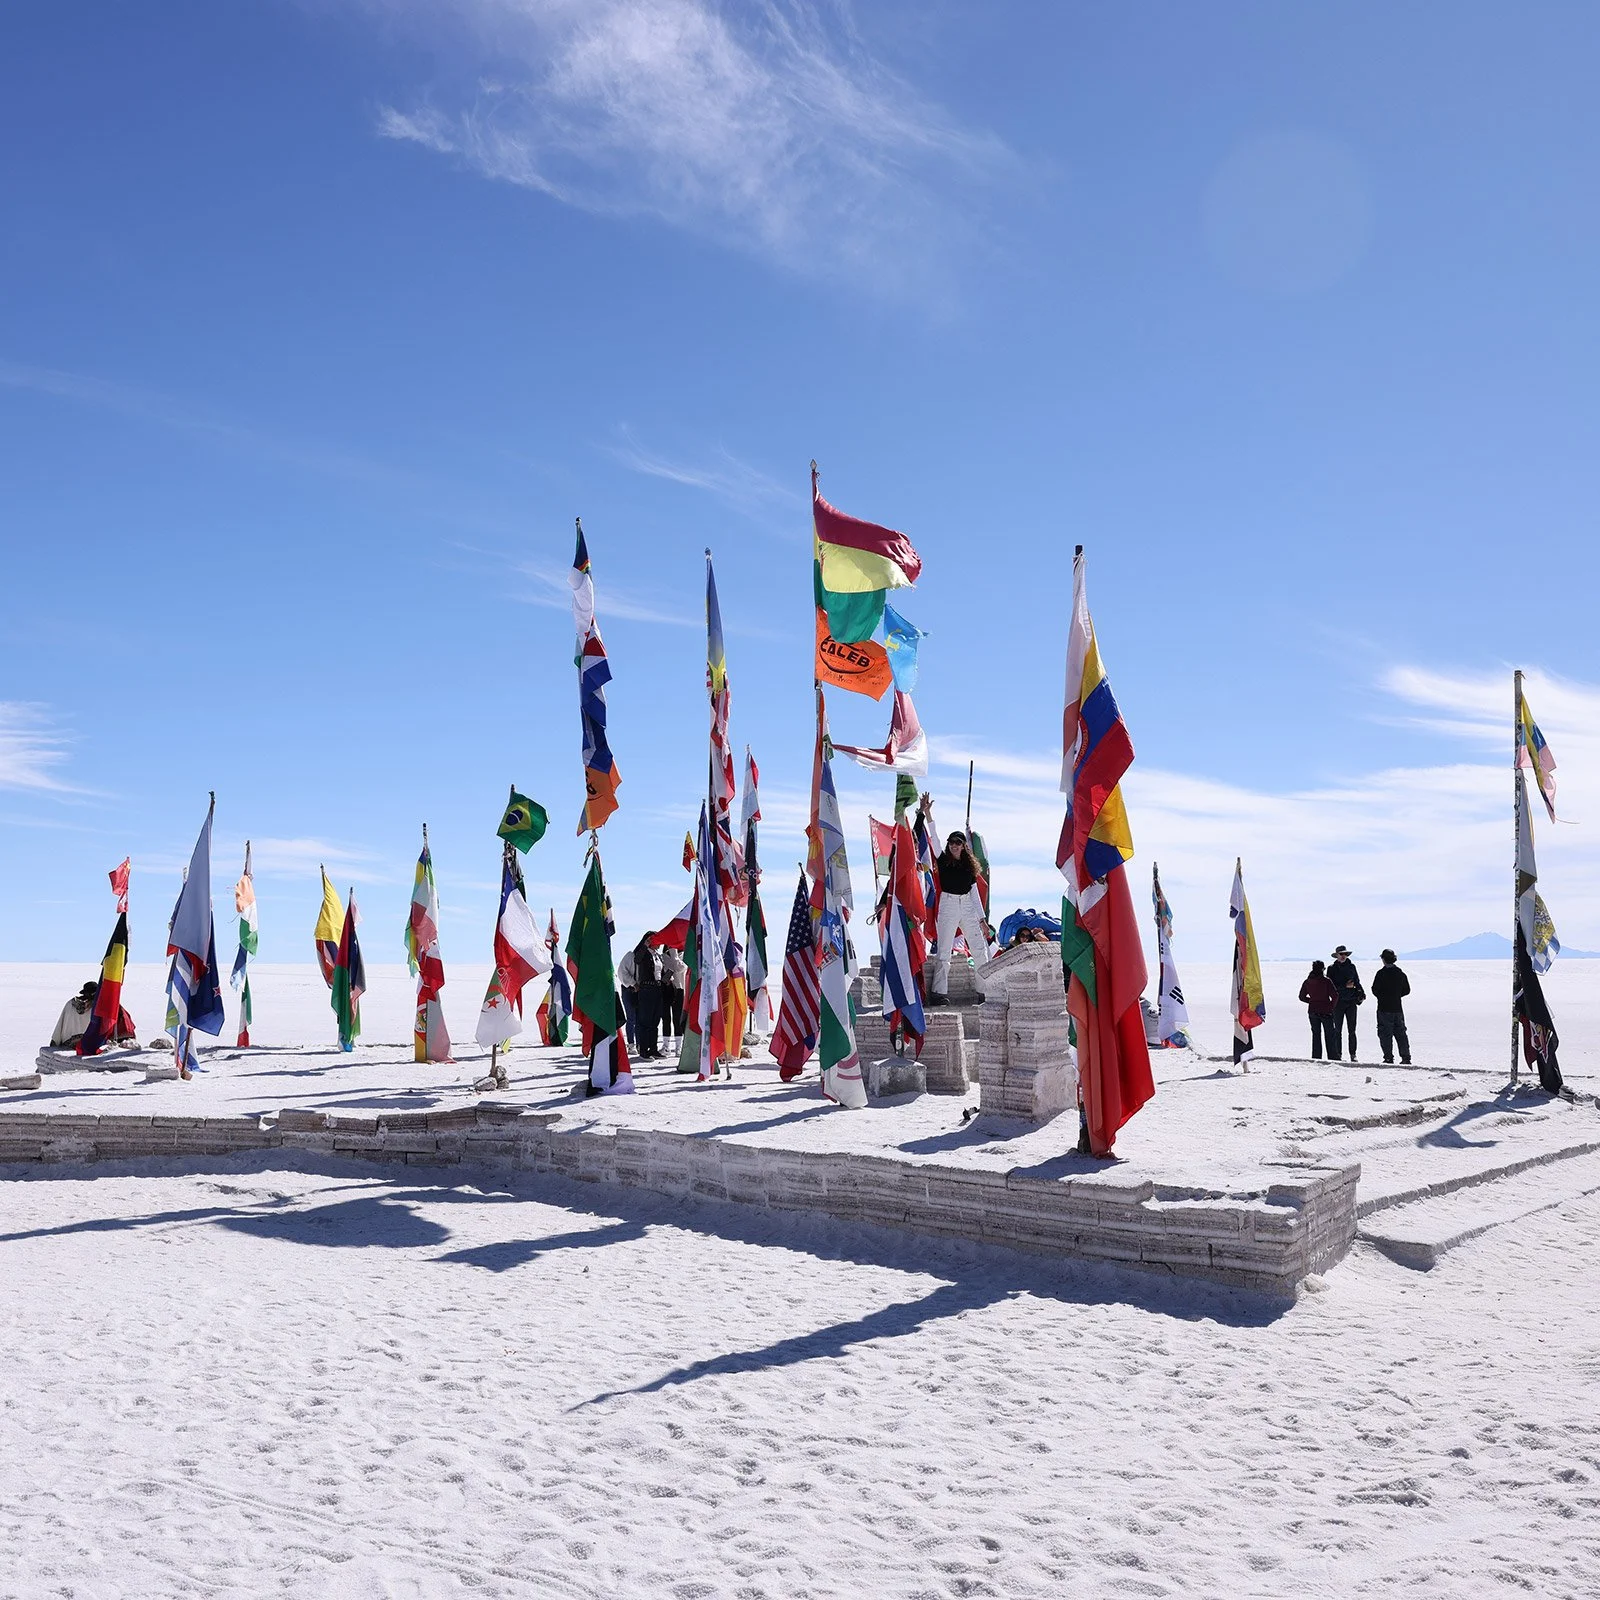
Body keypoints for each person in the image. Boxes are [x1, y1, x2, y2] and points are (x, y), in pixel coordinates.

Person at [920, 793, 991, 1005]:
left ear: (963, 846)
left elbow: (975, 894)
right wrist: (927, 813)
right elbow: (934, 838)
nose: (954, 845)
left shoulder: (970, 867)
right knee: (943, 950)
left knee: (979, 948)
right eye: (952, 842)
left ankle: (983, 991)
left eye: (958, 843)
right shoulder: (942, 861)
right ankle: (939, 993)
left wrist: (982, 920)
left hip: (967, 906)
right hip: (948, 904)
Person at [1370, 949, 1412, 1065]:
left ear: (1383, 959)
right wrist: (1396, 996)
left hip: (1384, 1008)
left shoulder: (1381, 974)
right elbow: (1407, 990)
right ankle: (1406, 1057)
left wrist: (1383, 997)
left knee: (1385, 1034)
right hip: (1397, 1008)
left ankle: (1388, 1058)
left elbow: (1374, 989)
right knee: (1401, 1033)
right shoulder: (1400, 973)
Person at [1327, 945, 1365, 1061]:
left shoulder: (1352, 967)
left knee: (1352, 1030)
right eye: (1341, 954)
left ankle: (1353, 1054)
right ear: (1336, 955)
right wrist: (1344, 986)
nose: (1343, 956)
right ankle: (1338, 1054)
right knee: (1337, 1030)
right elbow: (1330, 986)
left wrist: (1361, 993)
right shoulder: (1331, 968)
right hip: (1338, 1003)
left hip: (1351, 1002)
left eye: (1345, 954)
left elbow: (1357, 982)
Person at [1298, 960, 1341, 1061]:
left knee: (1316, 1035)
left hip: (1313, 1011)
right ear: (1322, 969)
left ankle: (1316, 1057)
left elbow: (1301, 997)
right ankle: (1333, 1057)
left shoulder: (1308, 981)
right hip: (1326, 1011)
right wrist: (1331, 1006)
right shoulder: (1326, 981)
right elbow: (1335, 995)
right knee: (1329, 1035)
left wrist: (1312, 1001)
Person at [631, 934, 663, 1060]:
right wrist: (645, 945)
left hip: (658, 988)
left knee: (655, 1020)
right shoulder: (643, 953)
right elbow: (637, 960)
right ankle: (644, 1050)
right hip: (647, 989)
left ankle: (653, 1049)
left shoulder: (657, 955)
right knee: (645, 1020)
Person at [658, 944, 686, 1047]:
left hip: (679, 989)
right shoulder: (662, 956)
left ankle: (678, 1046)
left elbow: (679, 967)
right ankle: (666, 1045)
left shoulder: (683, 955)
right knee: (665, 1018)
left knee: (677, 1018)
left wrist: (674, 952)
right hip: (666, 989)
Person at [616, 946, 639, 1051]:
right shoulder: (630, 956)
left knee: (640, 1018)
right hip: (629, 989)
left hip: (641, 990)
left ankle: (639, 1043)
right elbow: (622, 972)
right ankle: (631, 1044)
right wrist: (633, 983)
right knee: (631, 1017)